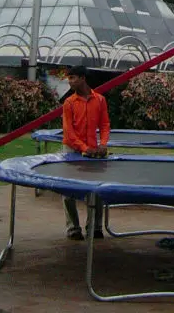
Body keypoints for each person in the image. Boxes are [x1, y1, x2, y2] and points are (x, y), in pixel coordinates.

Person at [62, 65, 110, 240]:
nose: (70, 81)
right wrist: (84, 148)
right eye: (69, 78)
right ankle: (73, 228)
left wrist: (103, 144)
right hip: (72, 149)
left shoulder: (100, 100)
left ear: (82, 78)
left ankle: (95, 227)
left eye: (73, 78)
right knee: (67, 191)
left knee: (96, 189)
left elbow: (104, 124)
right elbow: (69, 132)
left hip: (92, 148)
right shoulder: (68, 103)